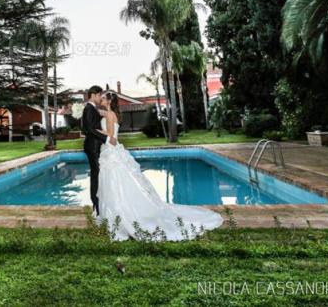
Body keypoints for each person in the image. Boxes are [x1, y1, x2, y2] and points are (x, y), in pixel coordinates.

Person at [96, 91, 223, 240]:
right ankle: (114, 217)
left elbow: (111, 138)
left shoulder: (110, 115)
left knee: (115, 185)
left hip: (112, 153)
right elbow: (97, 112)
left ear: (109, 101)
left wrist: (94, 131)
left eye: (103, 98)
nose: (101, 100)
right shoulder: (109, 114)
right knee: (114, 185)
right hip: (110, 154)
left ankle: (122, 218)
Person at [81, 85, 105, 214]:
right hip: (93, 147)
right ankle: (96, 204)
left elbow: (85, 128)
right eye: (100, 95)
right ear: (94, 95)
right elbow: (90, 129)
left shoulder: (91, 108)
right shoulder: (89, 108)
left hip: (95, 146)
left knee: (97, 175)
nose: (101, 97)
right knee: (95, 176)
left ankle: (97, 203)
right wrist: (105, 138)